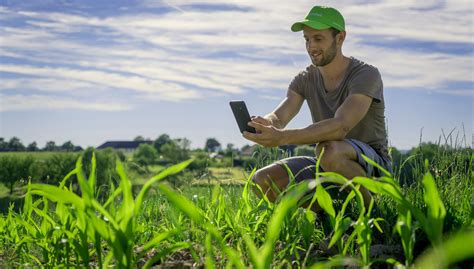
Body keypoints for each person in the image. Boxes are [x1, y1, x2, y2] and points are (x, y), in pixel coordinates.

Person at [243, 5, 392, 211]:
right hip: (327, 161)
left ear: (340, 38)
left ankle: (374, 213)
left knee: (329, 150)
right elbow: (280, 116)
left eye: (318, 39)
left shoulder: (366, 74)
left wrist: (282, 137)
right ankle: (330, 214)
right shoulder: (304, 78)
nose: (311, 46)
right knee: (262, 180)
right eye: (307, 39)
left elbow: (341, 127)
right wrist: (265, 124)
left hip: (373, 168)